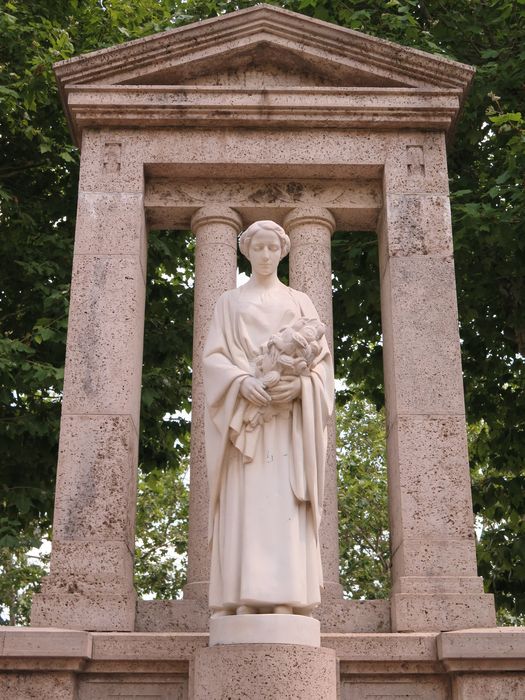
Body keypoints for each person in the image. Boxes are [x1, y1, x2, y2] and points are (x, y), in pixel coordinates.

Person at [203, 220, 334, 617]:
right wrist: (242, 382)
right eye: (257, 248)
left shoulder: (300, 303)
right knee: (246, 507)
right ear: (247, 251)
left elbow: (323, 364)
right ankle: (245, 596)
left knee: (284, 507)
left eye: (271, 248)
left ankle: (286, 598)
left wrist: (300, 388)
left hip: (288, 423)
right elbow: (214, 358)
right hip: (247, 419)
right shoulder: (228, 302)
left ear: (282, 251)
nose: (264, 255)